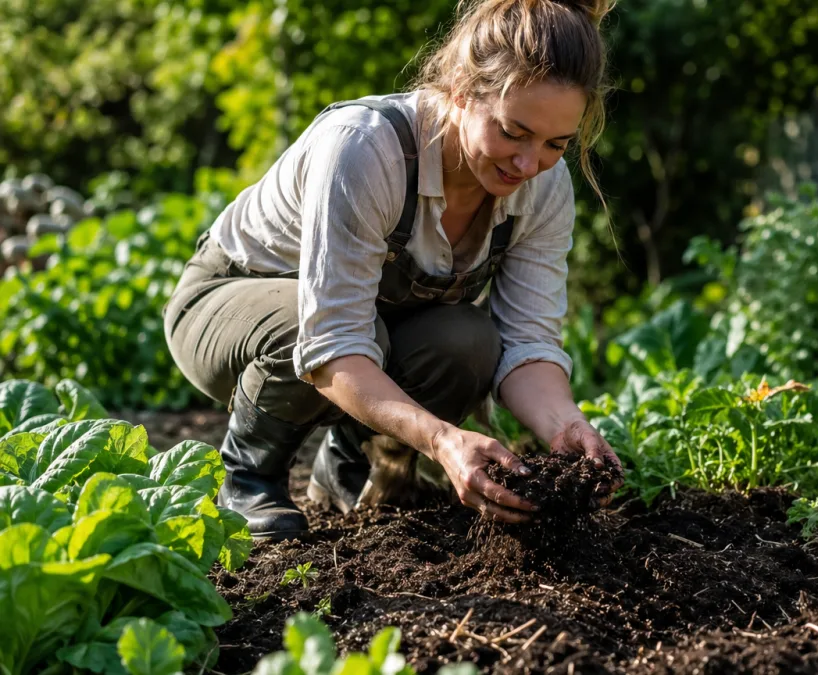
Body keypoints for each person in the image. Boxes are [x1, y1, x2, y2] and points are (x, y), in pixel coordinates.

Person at [163, 0, 623, 540]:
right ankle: (247, 477)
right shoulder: (366, 148)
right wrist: (441, 440)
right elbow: (332, 340)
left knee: (470, 340)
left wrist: (564, 426)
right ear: (459, 91)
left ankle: (347, 464)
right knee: (317, 325)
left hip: (365, 336)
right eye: (512, 132)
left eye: (555, 144)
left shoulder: (543, 188)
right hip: (228, 308)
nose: (528, 163)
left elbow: (526, 343)